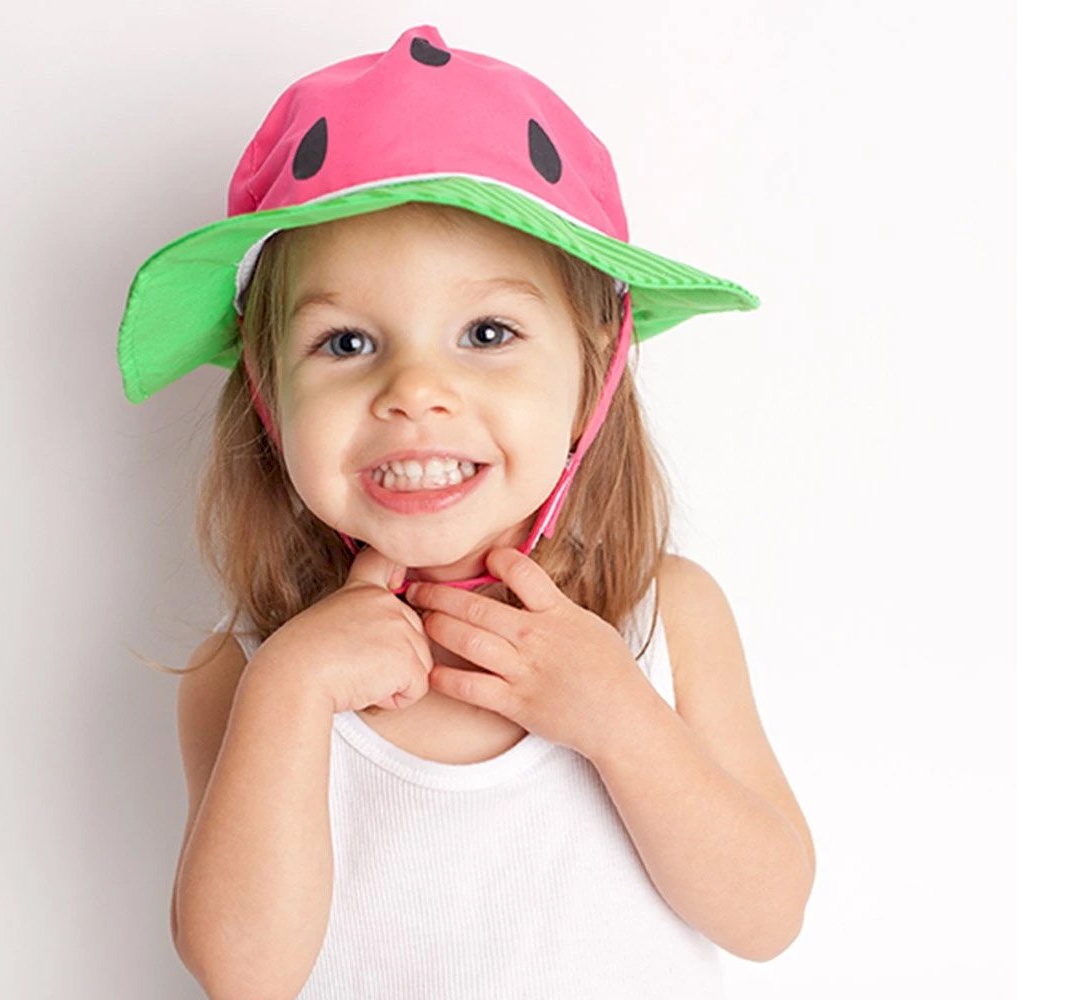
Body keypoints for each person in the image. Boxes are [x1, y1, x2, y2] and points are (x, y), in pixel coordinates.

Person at [117, 24, 816, 999]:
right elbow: (245, 974)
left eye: (486, 332)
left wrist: (620, 718)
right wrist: (290, 690)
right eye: (348, 341)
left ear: (595, 373)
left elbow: (767, 913)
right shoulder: (246, 668)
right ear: (271, 401)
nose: (415, 390)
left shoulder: (666, 619)